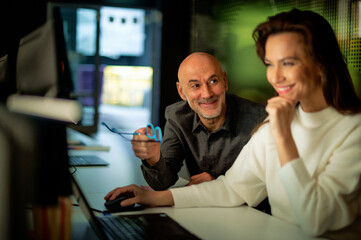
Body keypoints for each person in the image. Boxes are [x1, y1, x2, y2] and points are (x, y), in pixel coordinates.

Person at [105, 9, 361, 238]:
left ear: (321, 64)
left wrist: (283, 138)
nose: (276, 76)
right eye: (270, 64)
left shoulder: (352, 130)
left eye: (288, 63)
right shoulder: (277, 122)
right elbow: (233, 188)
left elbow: (315, 222)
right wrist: (153, 197)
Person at [131, 52, 266, 190]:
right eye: (195, 85)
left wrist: (220, 186)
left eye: (213, 81)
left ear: (225, 81)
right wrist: (153, 157)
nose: (207, 94)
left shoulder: (261, 120)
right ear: (182, 92)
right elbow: (163, 182)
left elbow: (268, 184)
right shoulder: (178, 117)